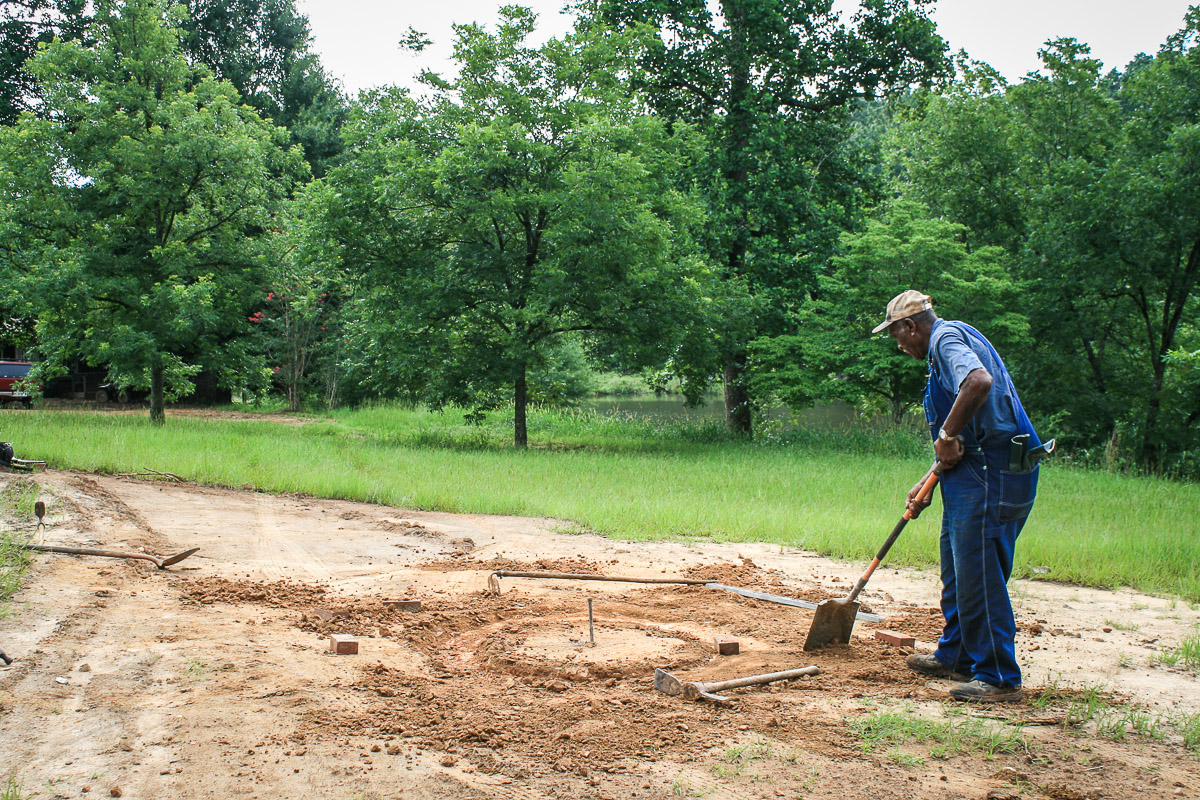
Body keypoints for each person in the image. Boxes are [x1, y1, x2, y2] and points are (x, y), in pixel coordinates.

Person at [871, 290, 1042, 703]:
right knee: (958, 566)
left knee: (979, 573)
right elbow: (965, 434)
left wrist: (945, 436)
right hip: (973, 473)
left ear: (911, 326)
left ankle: (999, 677)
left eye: (897, 335)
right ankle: (958, 654)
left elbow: (978, 382)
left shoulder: (945, 339)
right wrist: (930, 477)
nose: (899, 345)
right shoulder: (950, 342)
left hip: (990, 474)